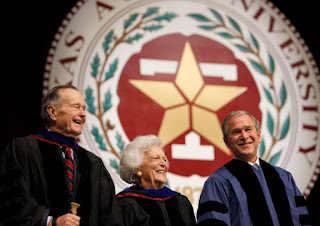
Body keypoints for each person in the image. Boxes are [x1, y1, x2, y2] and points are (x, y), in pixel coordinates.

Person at [0, 85, 120, 226]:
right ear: (53, 112)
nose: (83, 114)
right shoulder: (24, 149)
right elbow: (13, 198)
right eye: (76, 107)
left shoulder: (92, 162)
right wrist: (51, 221)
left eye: (84, 109)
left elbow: (108, 215)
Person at [197, 110, 310, 226]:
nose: (244, 136)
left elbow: (303, 220)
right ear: (227, 142)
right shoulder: (218, 182)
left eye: (248, 129)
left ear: (259, 135)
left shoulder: (284, 177)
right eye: (236, 132)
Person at [116, 135, 196, 226]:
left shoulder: (181, 202)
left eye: (164, 159)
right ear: (136, 168)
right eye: (156, 158)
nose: (163, 163)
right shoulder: (126, 204)